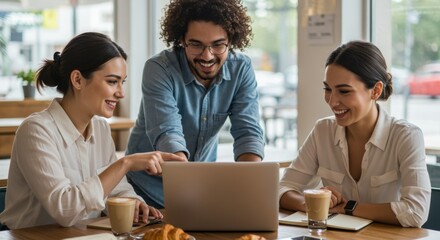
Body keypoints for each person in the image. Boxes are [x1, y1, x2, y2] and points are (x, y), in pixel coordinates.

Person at [0, 32, 186, 230]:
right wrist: (126, 163)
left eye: (122, 82)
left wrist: (132, 203)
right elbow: (65, 210)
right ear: (78, 80)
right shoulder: (36, 131)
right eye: (112, 81)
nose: (121, 93)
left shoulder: (100, 128)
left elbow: (116, 189)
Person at [126, 0, 265, 208]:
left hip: (199, 191)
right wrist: (194, 193)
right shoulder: (159, 68)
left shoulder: (241, 69)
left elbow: (248, 133)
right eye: (196, 44)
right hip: (145, 193)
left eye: (218, 44)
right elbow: (168, 134)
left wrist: (248, 189)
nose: (207, 56)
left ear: (231, 40)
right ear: (182, 40)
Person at [279, 41, 431, 227]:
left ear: (375, 90)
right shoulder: (323, 131)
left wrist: (349, 207)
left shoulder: (406, 136)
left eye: (344, 91)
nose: (332, 101)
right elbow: (281, 188)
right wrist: (309, 202)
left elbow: (416, 211)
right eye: (328, 89)